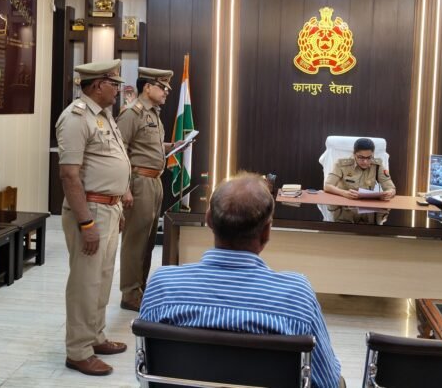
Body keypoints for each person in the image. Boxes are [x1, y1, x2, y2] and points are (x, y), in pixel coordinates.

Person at [140, 173, 344, 388]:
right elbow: (328, 382)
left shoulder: (162, 286)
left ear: (208, 220)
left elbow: (146, 372)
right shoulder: (297, 295)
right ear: (267, 232)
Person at [55, 59, 132, 376]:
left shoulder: (103, 115)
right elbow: (69, 175)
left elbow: (113, 159)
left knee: (101, 280)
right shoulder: (76, 118)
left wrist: (120, 198)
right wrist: (86, 222)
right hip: (90, 210)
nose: (118, 90)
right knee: (85, 283)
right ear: (98, 85)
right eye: (114, 84)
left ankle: (95, 336)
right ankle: (78, 351)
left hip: (109, 208)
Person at [116, 66, 183, 311]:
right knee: (135, 241)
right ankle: (129, 294)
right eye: (162, 87)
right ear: (147, 87)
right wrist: (124, 188)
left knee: (147, 241)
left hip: (154, 182)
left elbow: (148, 146)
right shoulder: (131, 113)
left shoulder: (152, 113)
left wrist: (172, 146)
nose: (166, 92)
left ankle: (140, 289)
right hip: (139, 182)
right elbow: (119, 151)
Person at [324, 138, 396, 200]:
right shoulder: (341, 164)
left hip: (367, 205)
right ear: (354, 154)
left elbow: (391, 188)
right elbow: (327, 186)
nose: (365, 161)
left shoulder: (377, 165)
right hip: (345, 204)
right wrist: (344, 193)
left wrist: (389, 193)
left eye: (369, 157)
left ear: (373, 154)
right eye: (361, 157)